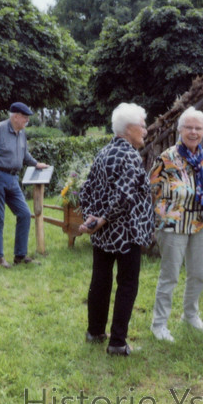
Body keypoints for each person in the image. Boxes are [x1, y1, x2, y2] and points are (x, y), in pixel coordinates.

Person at [78, 103, 154, 357]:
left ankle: (95, 331)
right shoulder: (131, 156)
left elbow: (86, 189)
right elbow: (124, 198)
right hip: (127, 233)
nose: (145, 130)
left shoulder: (104, 151)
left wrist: (92, 218)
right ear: (128, 128)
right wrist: (101, 219)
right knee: (127, 284)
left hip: (103, 234)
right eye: (142, 125)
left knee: (100, 280)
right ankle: (118, 343)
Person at [149, 107, 203, 342]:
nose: (194, 132)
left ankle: (190, 315)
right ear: (180, 130)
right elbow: (152, 187)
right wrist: (166, 210)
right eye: (189, 127)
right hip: (173, 224)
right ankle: (159, 325)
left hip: (199, 223)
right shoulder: (166, 157)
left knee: (197, 274)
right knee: (170, 276)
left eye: (198, 128)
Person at [0, 102, 49, 268]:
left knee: (24, 214)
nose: (26, 121)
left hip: (12, 179)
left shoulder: (21, 133)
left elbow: (25, 155)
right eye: (25, 118)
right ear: (15, 116)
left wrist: (36, 164)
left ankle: (20, 255)